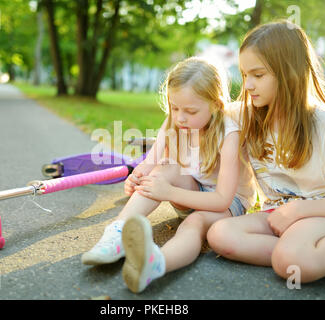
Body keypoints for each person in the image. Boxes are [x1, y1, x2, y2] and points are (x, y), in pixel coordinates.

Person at [207, 20, 325, 286]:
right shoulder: (246, 115)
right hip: (278, 215)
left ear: (289, 74)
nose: (247, 85)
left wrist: (299, 211)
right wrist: (156, 151)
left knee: (289, 261)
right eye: (244, 74)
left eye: (258, 76)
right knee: (220, 235)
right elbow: (200, 114)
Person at [81, 57, 256, 293]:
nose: (180, 117)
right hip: (191, 190)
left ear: (215, 105)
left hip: (227, 204)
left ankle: (155, 265)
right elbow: (150, 162)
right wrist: (138, 177)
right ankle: (118, 232)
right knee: (164, 168)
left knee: (195, 223)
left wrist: (170, 192)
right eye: (174, 108)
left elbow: (223, 199)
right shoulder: (176, 121)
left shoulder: (229, 134)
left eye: (190, 111)